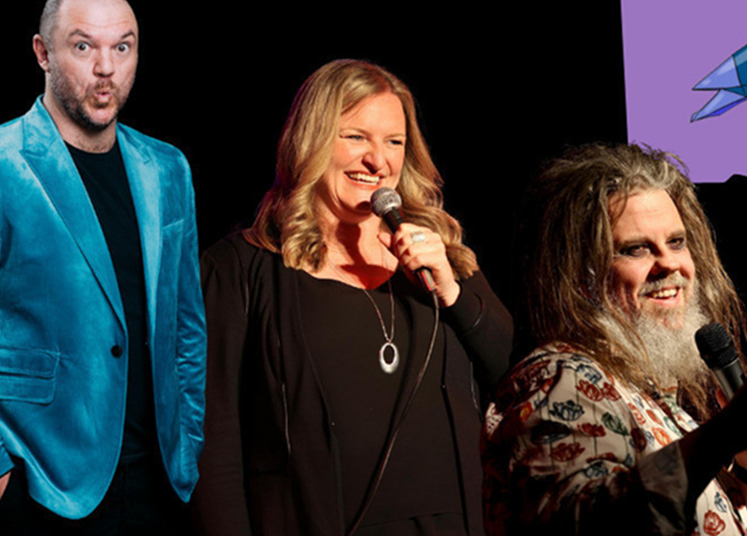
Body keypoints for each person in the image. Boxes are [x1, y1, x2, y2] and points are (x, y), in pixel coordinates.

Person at [194, 59, 513, 535]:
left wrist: (451, 289)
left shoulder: (440, 256)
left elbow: (512, 374)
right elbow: (213, 445)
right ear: (311, 140)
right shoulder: (241, 268)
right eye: (356, 137)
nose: (377, 161)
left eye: (394, 142)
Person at [0, 0, 205, 533]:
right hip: (43, 483)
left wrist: (188, 443)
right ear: (43, 53)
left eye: (123, 47)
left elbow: (186, 326)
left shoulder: (168, 168)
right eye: (84, 46)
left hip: (160, 479)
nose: (106, 68)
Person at [482, 143, 747, 536]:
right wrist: (722, 434)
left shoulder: (652, 397)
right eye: (635, 249)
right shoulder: (561, 378)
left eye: (677, 242)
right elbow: (583, 524)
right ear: (580, 275)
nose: (670, 263)